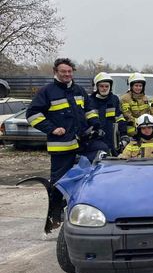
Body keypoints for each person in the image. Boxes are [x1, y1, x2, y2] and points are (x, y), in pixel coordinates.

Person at [26, 58, 108, 229]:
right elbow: (32, 114)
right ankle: (55, 215)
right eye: (63, 71)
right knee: (59, 182)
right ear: (55, 72)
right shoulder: (47, 92)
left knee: (95, 169)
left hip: (83, 143)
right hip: (62, 145)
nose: (67, 74)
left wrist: (95, 124)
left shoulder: (79, 90)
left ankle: (88, 210)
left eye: (70, 71)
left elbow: (89, 109)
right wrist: (52, 129)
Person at [87, 72, 129, 156]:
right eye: (101, 86)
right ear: (96, 87)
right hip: (96, 138)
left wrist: (124, 134)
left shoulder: (114, 99)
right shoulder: (90, 101)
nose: (104, 88)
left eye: (107, 86)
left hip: (112, 137)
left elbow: (119, 117)